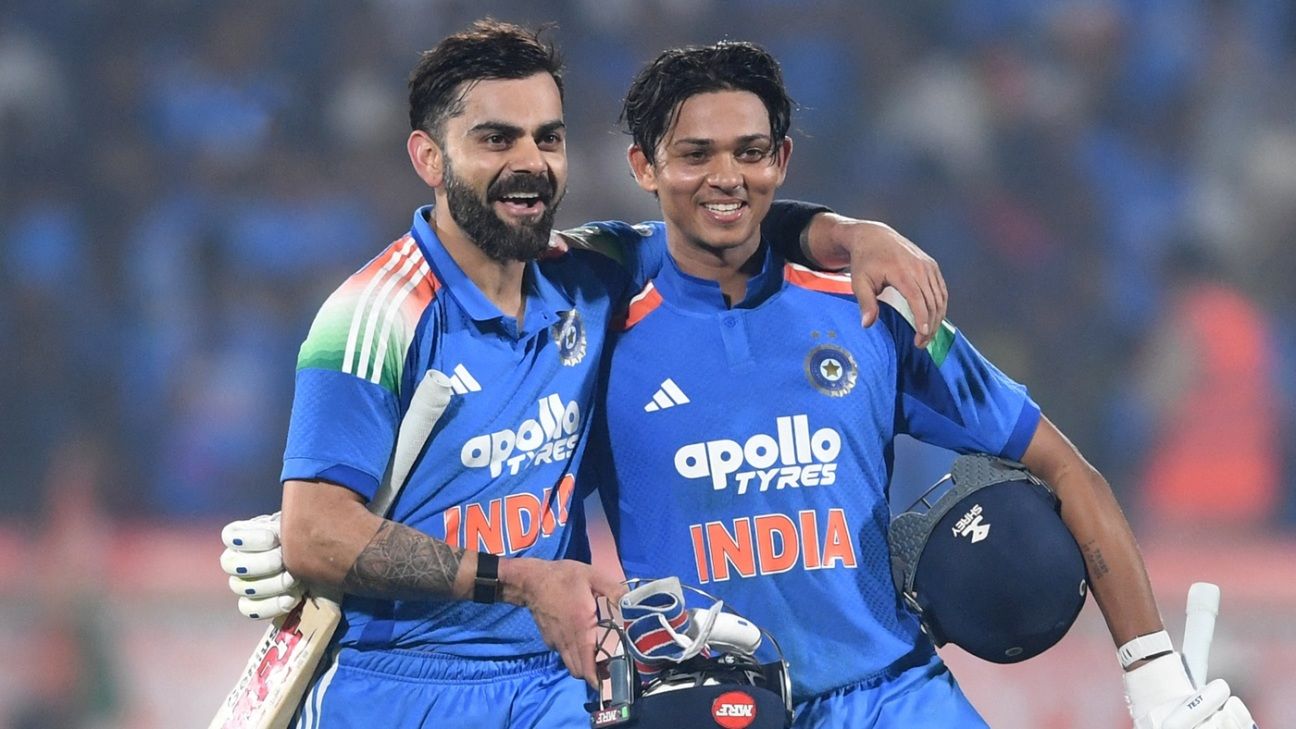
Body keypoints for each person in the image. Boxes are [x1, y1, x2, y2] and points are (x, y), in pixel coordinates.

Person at [220, 20, 951, 729]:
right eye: (496, 139)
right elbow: (315, 533)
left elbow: (720, 214)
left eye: (548, 137)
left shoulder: (590, 271)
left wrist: (853, 234)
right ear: (429, 158)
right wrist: (521, 579)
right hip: (396, 682)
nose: (530, 162)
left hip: (550, 681)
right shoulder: (373, 316)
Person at [572, 42, 1256, 728]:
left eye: (749, 152)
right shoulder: (592, 339)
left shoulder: (869, 307)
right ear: (644, 165)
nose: (726, 177)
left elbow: (1065, 467)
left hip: (896, 698)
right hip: (708, 708)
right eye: (696, 155)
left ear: (781, 159)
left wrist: (1154, 677)